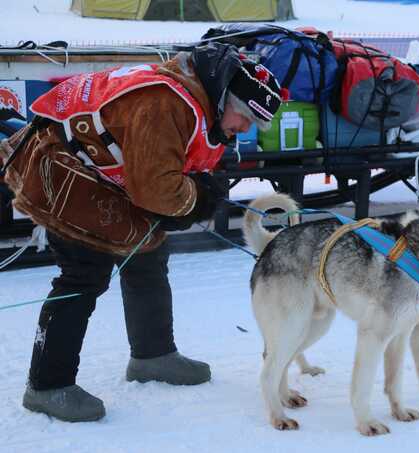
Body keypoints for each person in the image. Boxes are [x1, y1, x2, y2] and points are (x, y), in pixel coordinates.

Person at [0, 42, 284, 422]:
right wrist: (195, 198)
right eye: (245, 117)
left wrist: (195, 187)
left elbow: (161, 172)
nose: (246, 128)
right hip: (61, 169)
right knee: (83, 273)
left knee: (148, 254)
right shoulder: (166, 104)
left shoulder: (198, 101)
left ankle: (153, 355)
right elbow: (155, 190)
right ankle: (46, 385)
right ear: (225, 98)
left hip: (101, 171)